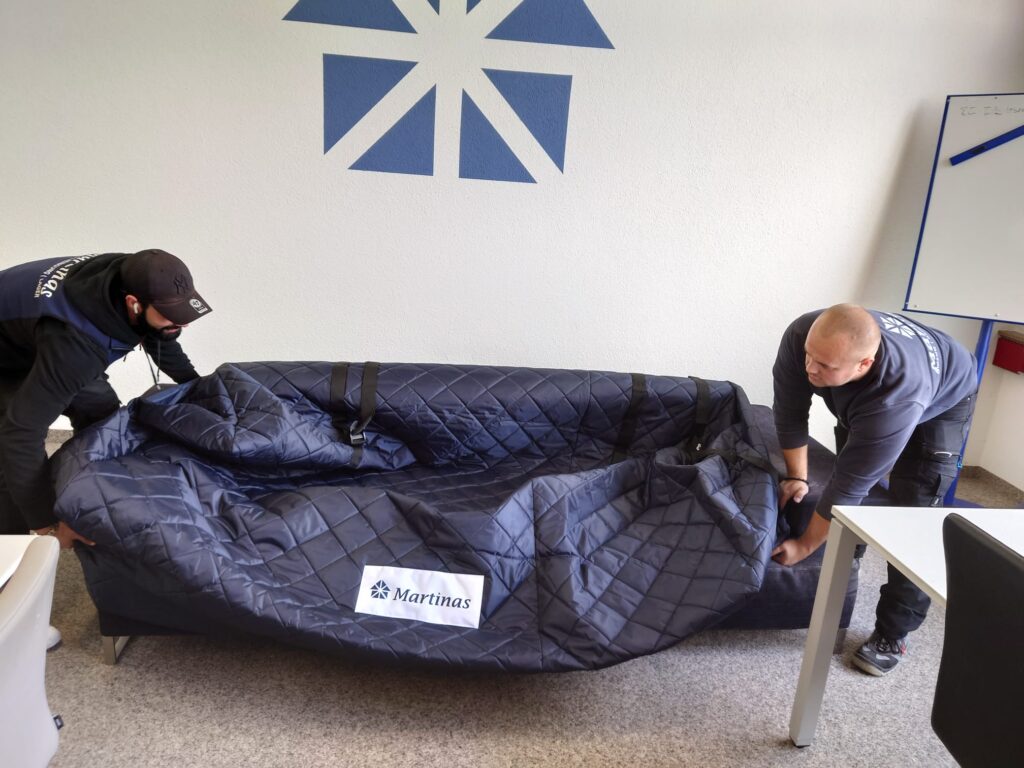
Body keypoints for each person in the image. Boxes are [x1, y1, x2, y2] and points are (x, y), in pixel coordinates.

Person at [770, 303, 976, 676]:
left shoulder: (896, 397)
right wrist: (797, 477)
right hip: (877, 391)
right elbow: (789, 412)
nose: (810, 368)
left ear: (863, 364)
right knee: (852, 482)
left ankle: (893, 634)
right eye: (809, 356)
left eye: (824, 365)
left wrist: (804, 546)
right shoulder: (803, 335)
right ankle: (848, 554)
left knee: (912, 513)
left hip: (945, 391)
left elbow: (849, 486)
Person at [0, 249, 212, 583]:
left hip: (37, 337)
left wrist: (197, 388)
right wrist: (47, 521)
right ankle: (9, 569)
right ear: (133, 304)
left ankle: (92, 498)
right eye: (171, 315)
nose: (182, 323)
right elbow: (21, 433)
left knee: (100, 412)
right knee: (9, 457)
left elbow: (161, 335)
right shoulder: (77, 345)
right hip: (8, 359)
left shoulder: (132, 274)